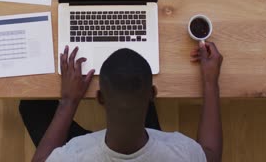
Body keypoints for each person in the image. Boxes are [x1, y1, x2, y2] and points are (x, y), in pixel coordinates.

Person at [19, 41, 223, 162]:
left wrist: (69, 101)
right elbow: (211, 155)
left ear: (99, 98)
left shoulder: (74, 156)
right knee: (133, 80)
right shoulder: (181, 153)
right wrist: (210, 82)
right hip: (145, 141)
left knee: (30, 105)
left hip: (94, 150)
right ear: (153, 94)